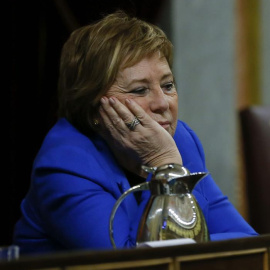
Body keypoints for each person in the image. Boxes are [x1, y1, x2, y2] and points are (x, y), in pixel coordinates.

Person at [13, 10, 257, 255]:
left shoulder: (180, 141)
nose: (162, 103)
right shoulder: (65, 167)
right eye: (140, 90)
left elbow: (246, 243)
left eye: (167, 85)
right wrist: (164, 165)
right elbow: (138, 262)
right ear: (94, 108)